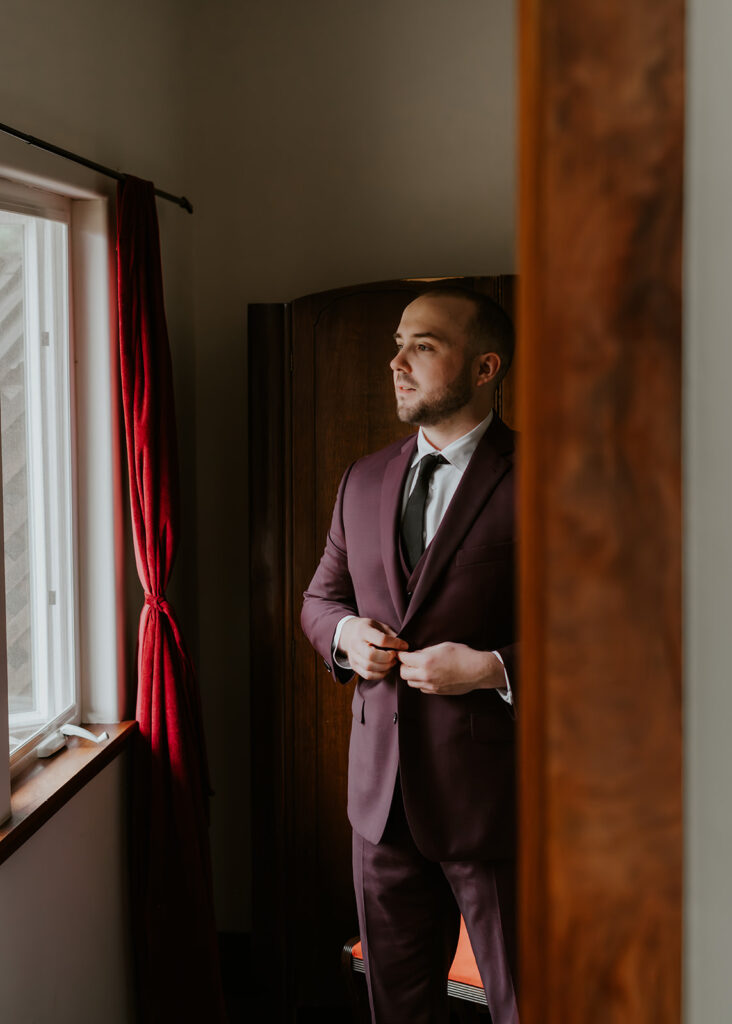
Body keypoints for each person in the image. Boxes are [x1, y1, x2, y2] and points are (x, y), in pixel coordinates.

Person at [300, 288, 518, 1024]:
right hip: (380, 807)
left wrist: (491, 667)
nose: (397, 362)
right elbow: (317, 599)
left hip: (500, 807)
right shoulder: (362, 480)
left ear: (485, 366)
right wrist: (345, 636)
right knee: (398, 1012)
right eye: (398, 343)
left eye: (423, 346)